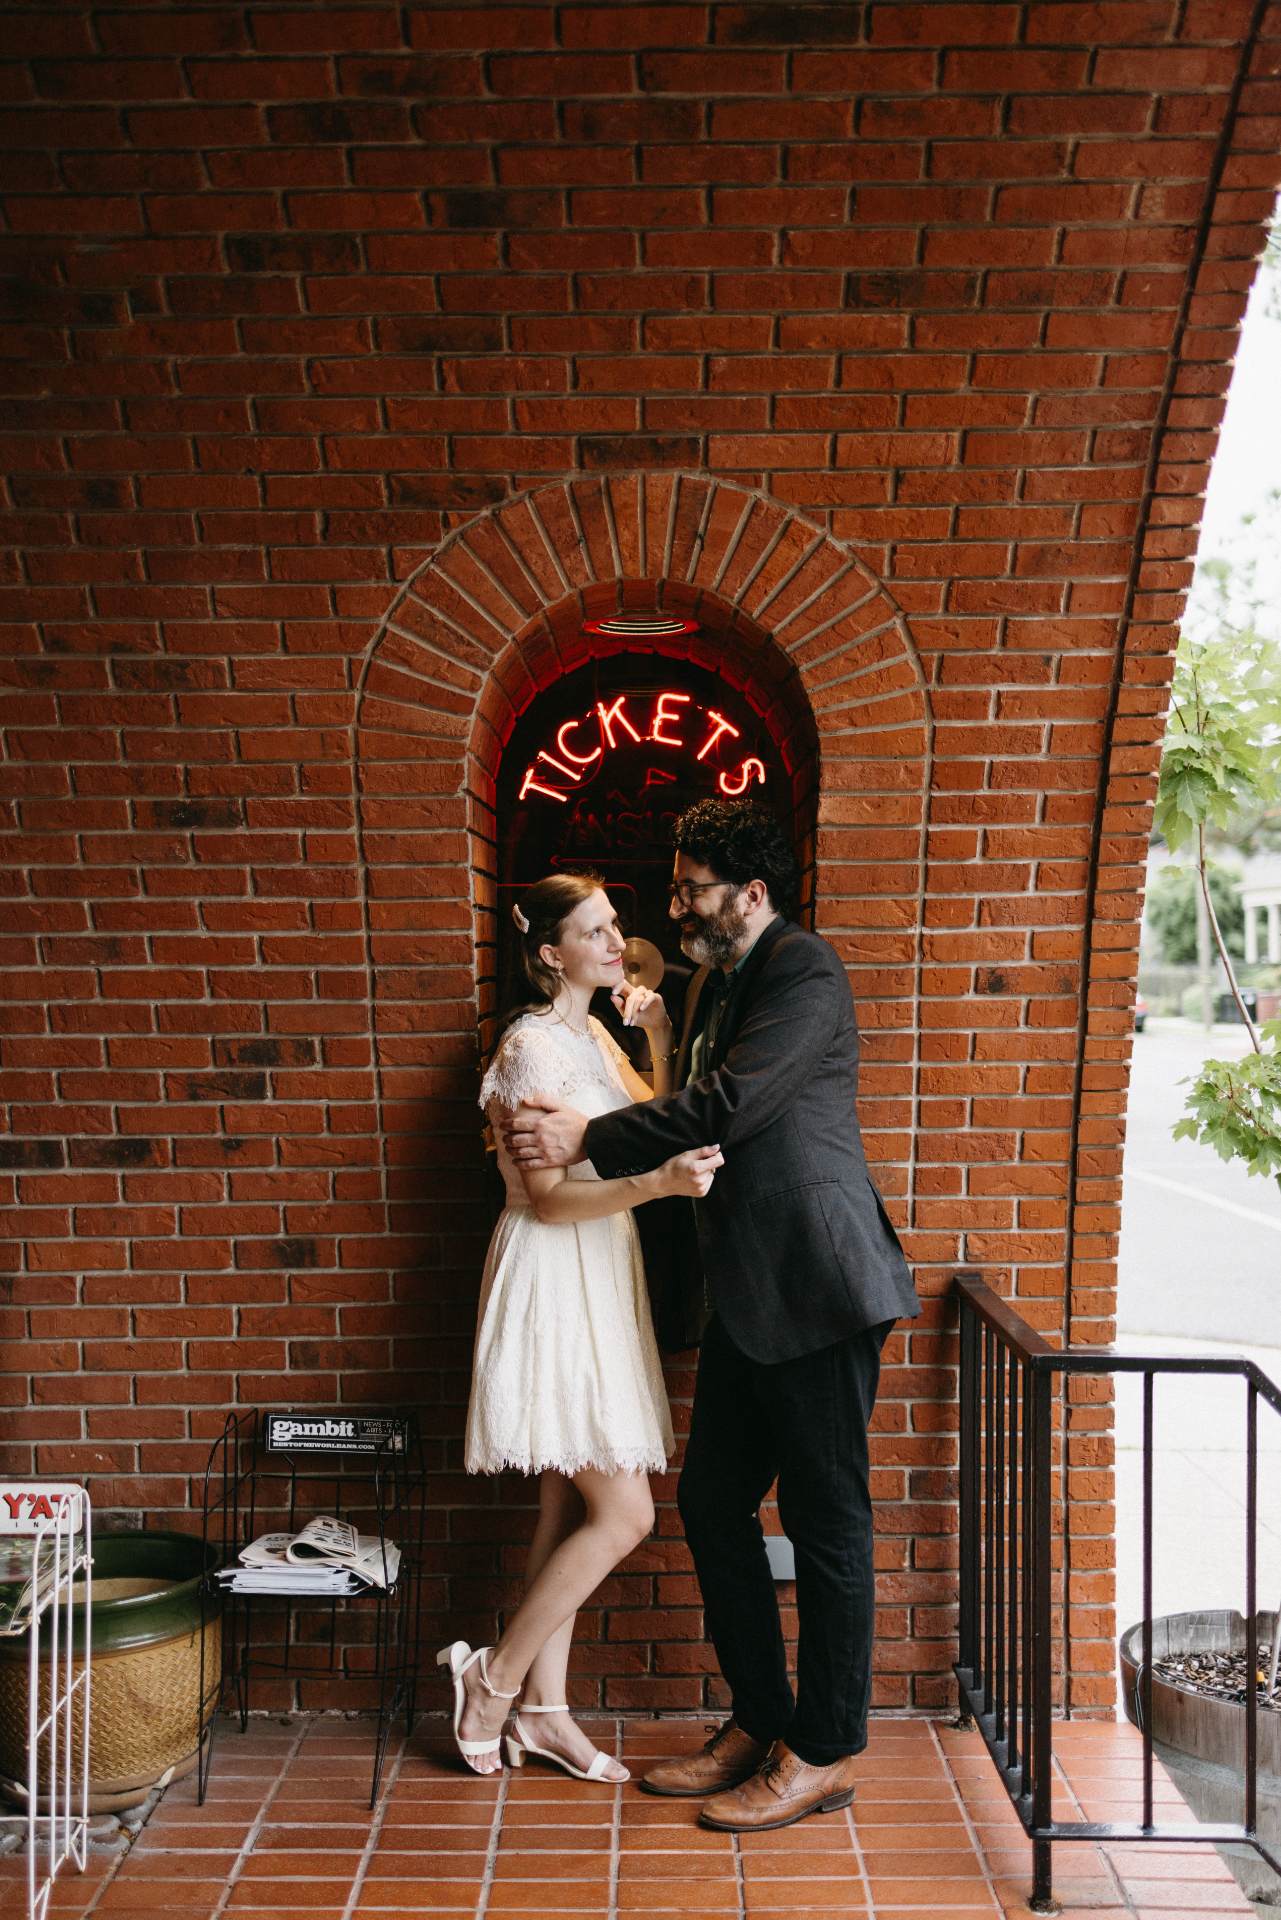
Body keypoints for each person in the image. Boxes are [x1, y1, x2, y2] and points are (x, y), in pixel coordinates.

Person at [503, 801, 920, 1832]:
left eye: (694, 887)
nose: (677, 903)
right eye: (679, 886)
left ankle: (823, 1750)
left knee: (827, 1525)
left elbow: (730, 1105)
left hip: (818, 1290)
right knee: (710, 1502)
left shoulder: (803, 972)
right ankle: (760, 1720)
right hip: (747, 1296)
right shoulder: (709, 985)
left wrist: (587, 1138)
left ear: (754, 895)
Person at [439, 871, 723, 1782]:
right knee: (626, 1511)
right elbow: (552, 1200)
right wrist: (659, 1186)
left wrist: (659, 1032)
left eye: (616, 924)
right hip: (557, 1271)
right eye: (595, 929)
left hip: (602, 1268)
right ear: (550, 951)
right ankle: (495, 1677)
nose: (616, 941)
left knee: (565, 1504)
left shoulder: (594, 1031)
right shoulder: (530, 1048)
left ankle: (547, 1716)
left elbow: (653, 1120)